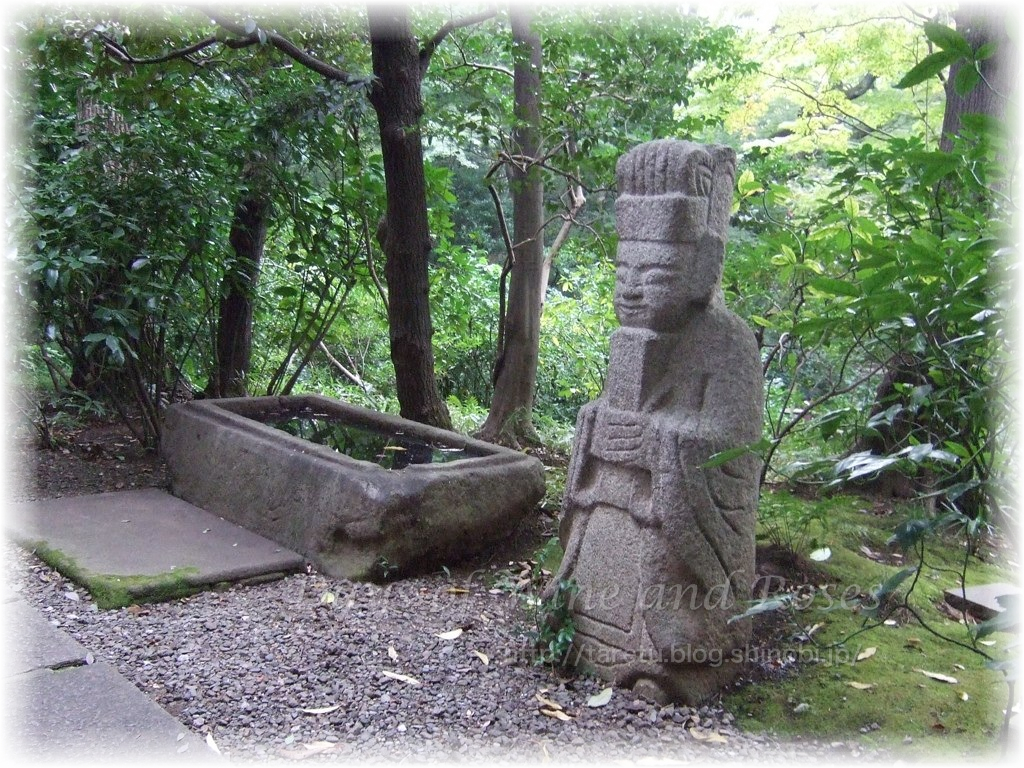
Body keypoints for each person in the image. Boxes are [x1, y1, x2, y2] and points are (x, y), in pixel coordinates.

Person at [549, 139, 764, 704]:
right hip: (613, 490)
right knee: (592, 538)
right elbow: (605, 408)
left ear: (701, 269)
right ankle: (578, 636)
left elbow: (734, 441)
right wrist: (595, 423)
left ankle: (660, 661)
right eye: (623, 271)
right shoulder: (630, 342)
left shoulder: (728, 342)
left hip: (666, 507)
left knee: (659, 557)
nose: (632, 287)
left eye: (656, 273)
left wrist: (659, 443)